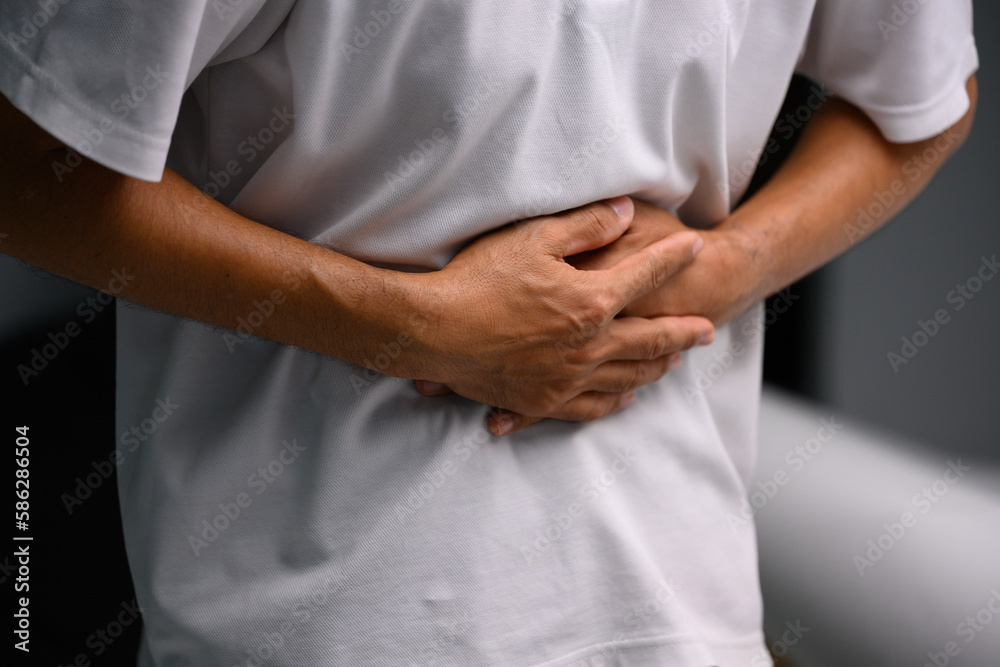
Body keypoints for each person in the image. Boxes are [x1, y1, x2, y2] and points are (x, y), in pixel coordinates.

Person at [0, 1, 978, 665]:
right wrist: (414, 327)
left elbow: (924, 95)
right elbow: (25, 168)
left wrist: (727, 268)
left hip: (677, 607)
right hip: (331, 622)